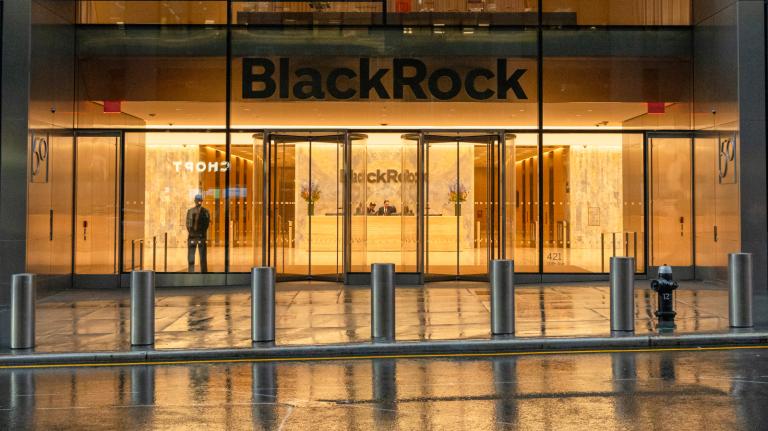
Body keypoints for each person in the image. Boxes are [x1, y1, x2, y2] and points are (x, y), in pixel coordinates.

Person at [186, 194, 210, 273]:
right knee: (191, 256)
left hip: (201, 236)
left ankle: (204, 272)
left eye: (199, 200)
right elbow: (188, 224)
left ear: (201, 201)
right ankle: (191, 271)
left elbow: (206, 224)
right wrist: (192, 233)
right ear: (195, 201)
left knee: (203, 257)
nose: (198, 202)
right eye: (197, 200)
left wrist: (200, 233)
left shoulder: (205, 211)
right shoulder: (190, 211)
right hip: (192, 236)